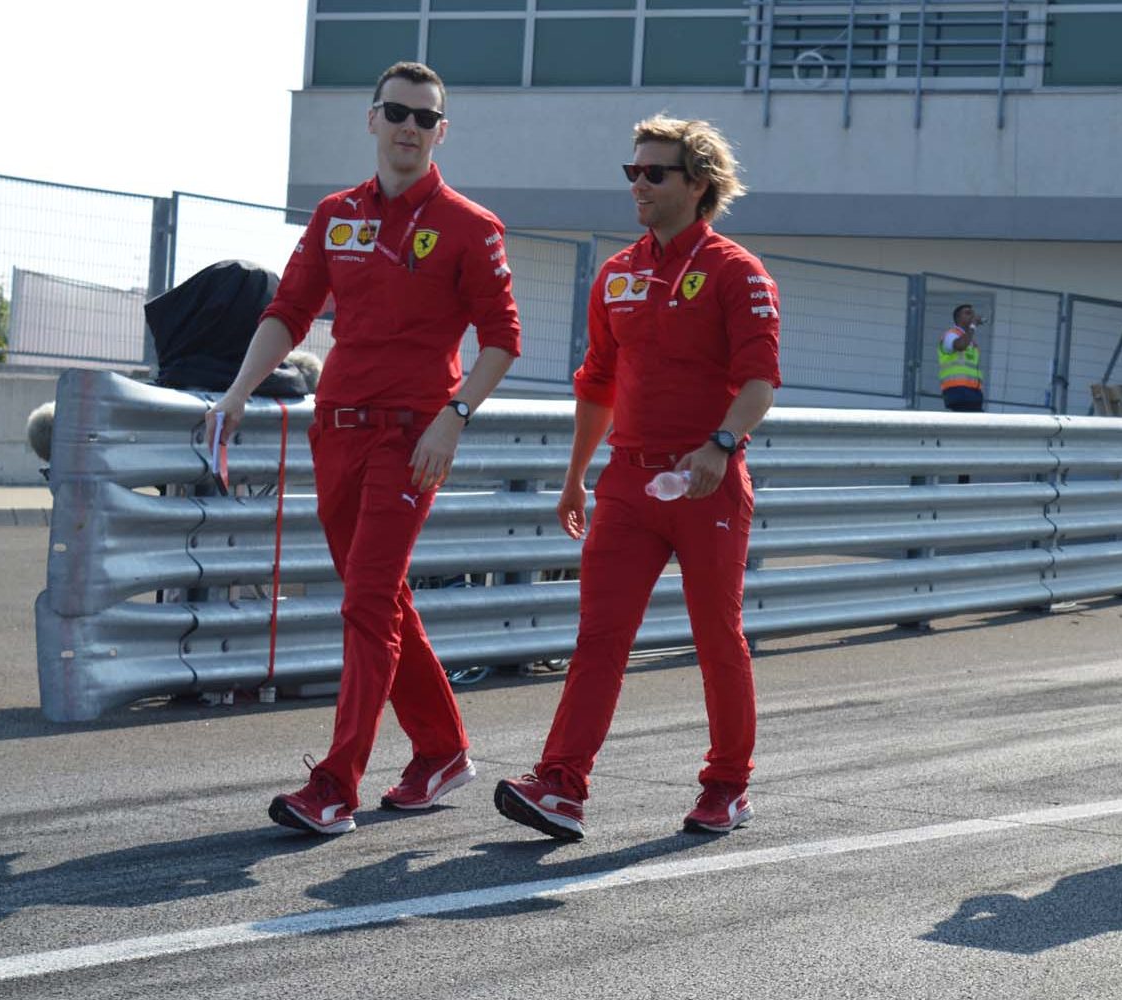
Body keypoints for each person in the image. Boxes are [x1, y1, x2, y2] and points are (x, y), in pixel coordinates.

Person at [208, 61, 521, 834]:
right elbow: (290, 310)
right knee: (381, 601)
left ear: (441, 131)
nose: (410, 127)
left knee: (367, 602)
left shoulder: (470, 226)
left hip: (413, 440)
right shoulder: (335, 214)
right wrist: (240, 389)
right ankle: (443, 748)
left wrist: (454, 416)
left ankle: (335, 784)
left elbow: (502, 341)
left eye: (425, 117)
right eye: (398, 113)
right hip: (336, 432)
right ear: (372, 119)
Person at [495, 116, 781, 841]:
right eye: (634, 172)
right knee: (598, 638)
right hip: (626, 482)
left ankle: (727, 786)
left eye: (656, 173)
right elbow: (596, 384)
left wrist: (720, 444)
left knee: (717, 637)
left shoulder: (737, 272)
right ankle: (560, 784)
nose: (640, 185)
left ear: (699, 185)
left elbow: (760, 384)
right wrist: (575, 478)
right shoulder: (617, 272)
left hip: (706, 481)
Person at [939, 304, 985, 412]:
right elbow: (960, 345)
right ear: (958, 318)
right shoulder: (950, 335)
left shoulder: (971, 340)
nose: (972, 316)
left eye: (973, 313)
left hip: (973, 391)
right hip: (958, 390)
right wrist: (973, 326)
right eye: (968, 313)